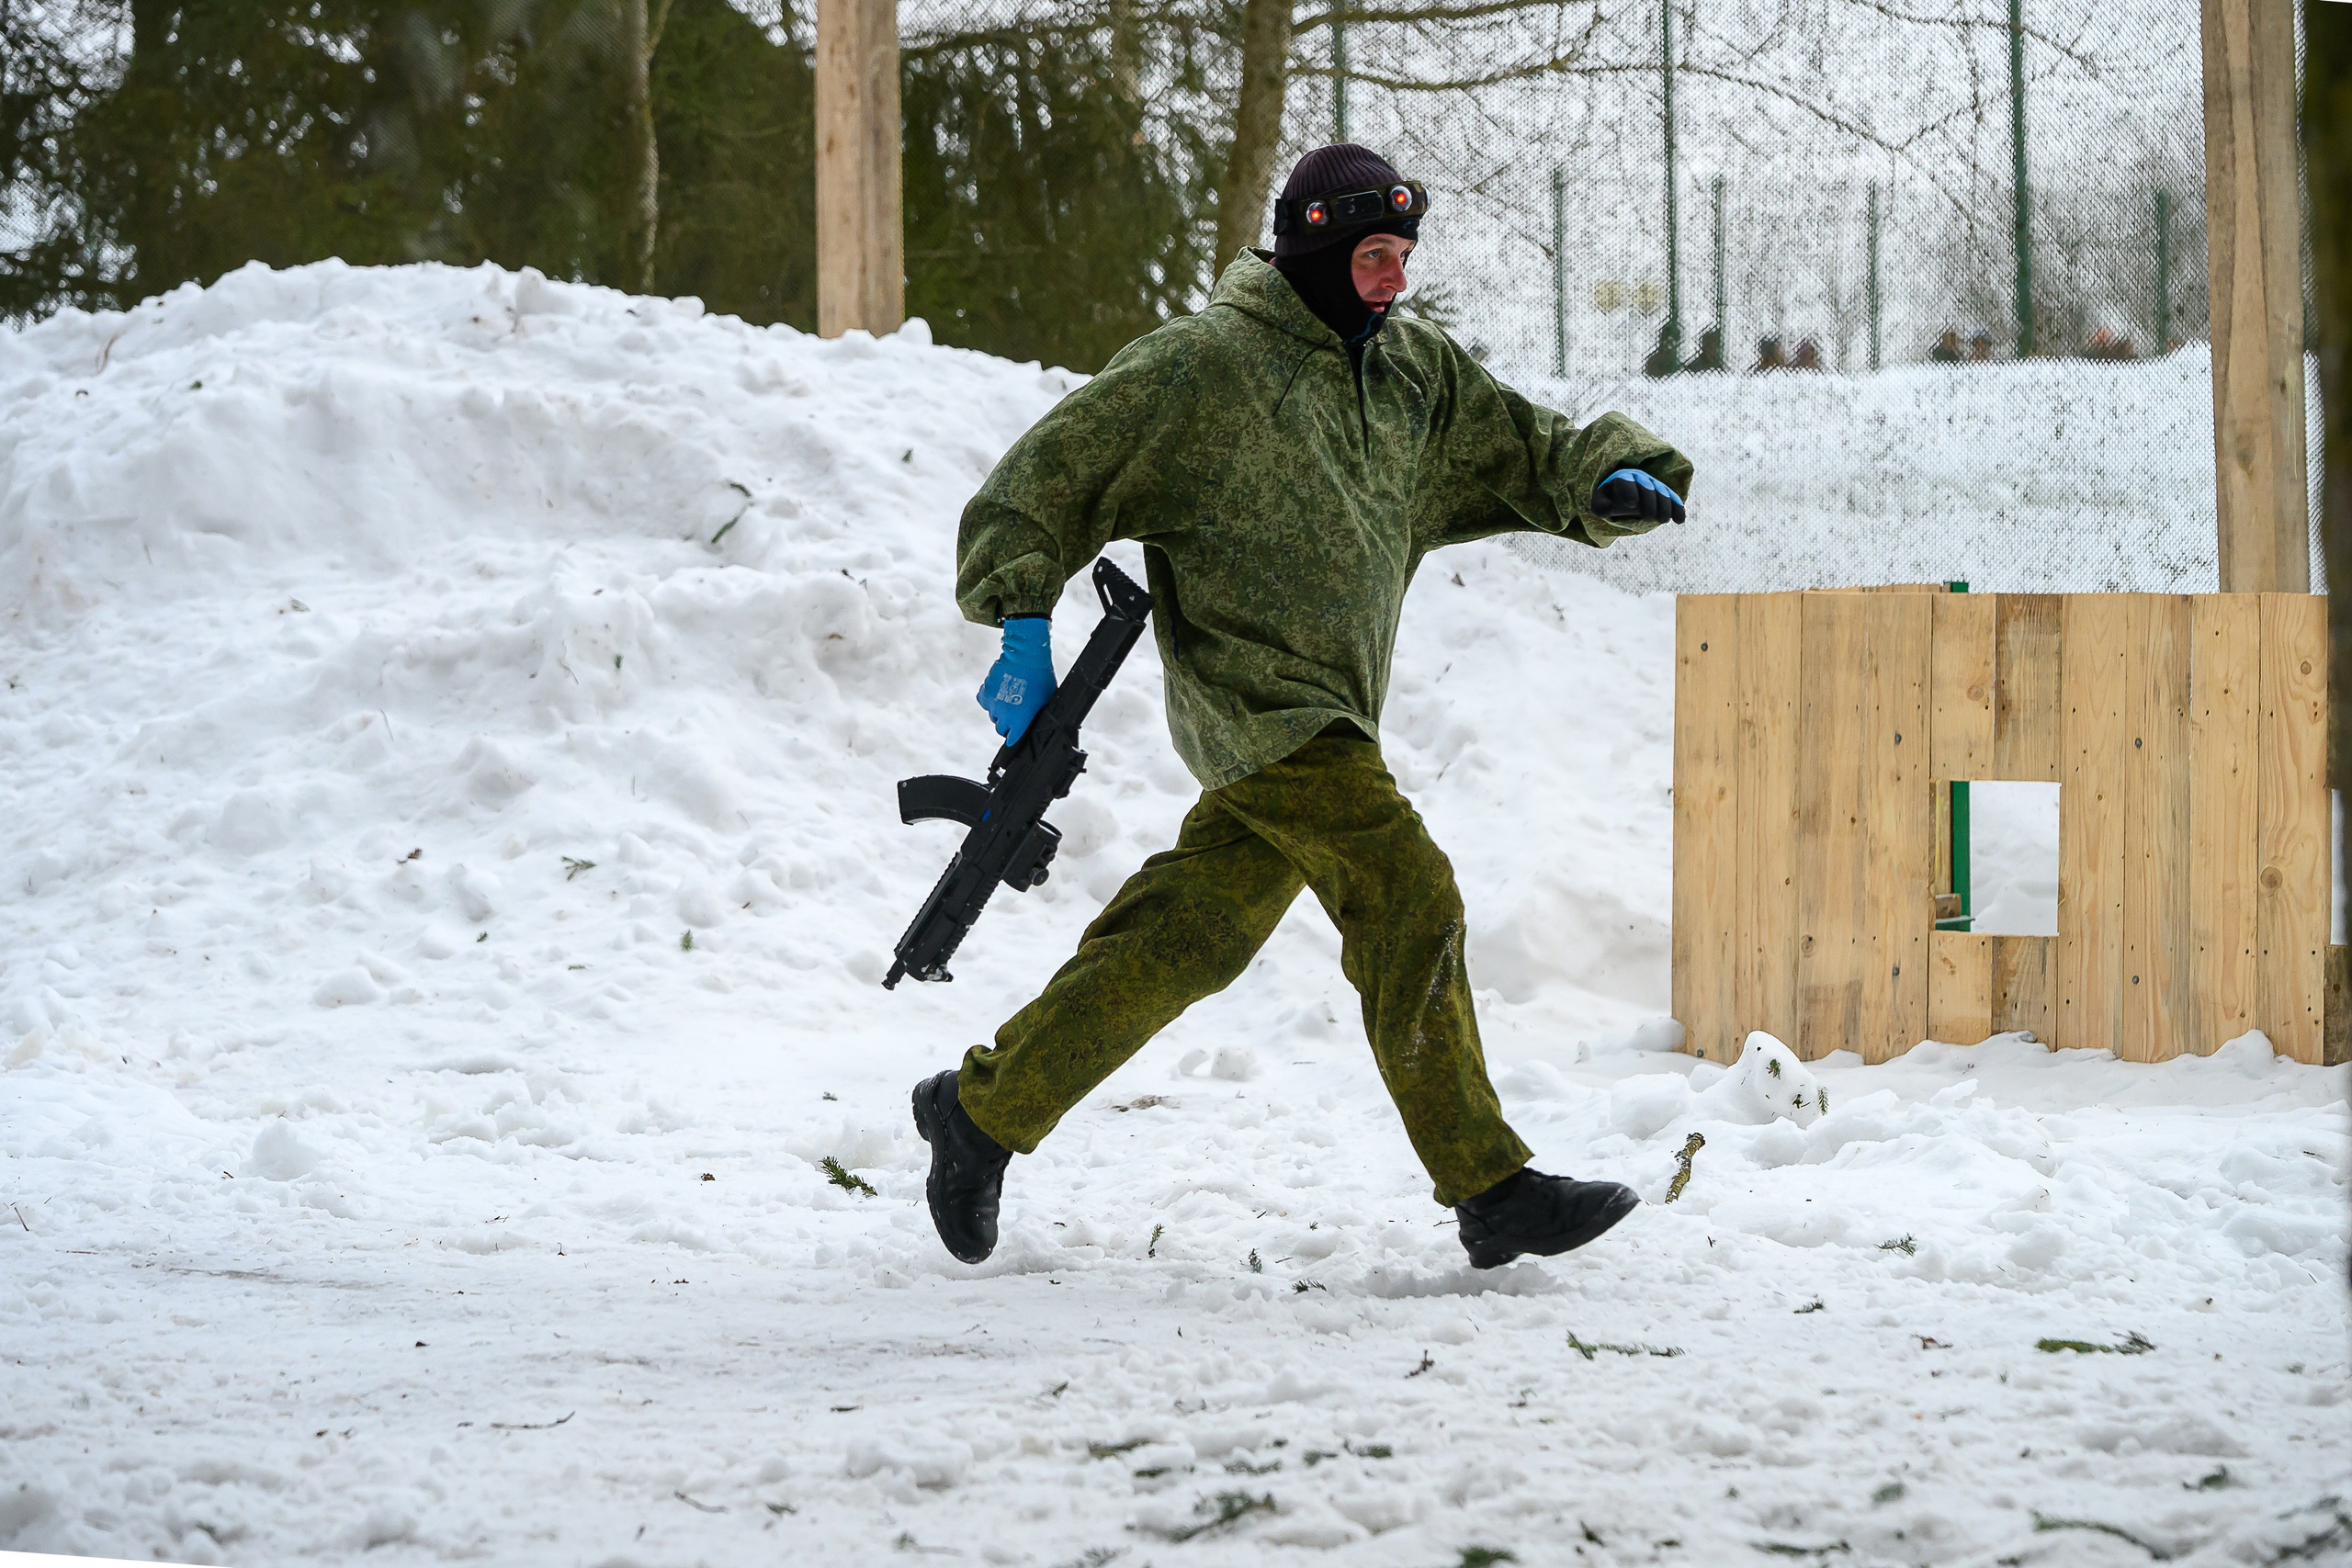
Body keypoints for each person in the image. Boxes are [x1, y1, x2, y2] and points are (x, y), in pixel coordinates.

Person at [909, 143, 1692, 1270]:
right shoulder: (1202, 370)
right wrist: (1022, 617)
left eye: (1405, 257)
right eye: (1375, 256)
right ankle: (1489, 1188)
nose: (1395, 281)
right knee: (1406, 889)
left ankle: (979, 1114)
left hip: (1333, 710)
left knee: (1186, 940)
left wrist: (1605, 480)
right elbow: (1040, 482)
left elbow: (1535, 452)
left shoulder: (1413, 376)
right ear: (1316, 252)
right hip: (1257, 709)